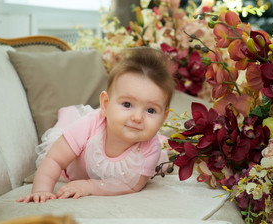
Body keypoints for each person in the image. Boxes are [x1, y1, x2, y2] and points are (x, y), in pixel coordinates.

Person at [16, 47, 175, 203]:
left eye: (151, 110)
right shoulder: (89, 126)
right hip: (76, 162)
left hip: (144, 157)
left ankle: (170, 146)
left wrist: (90, 186)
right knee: (62, 143)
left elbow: (131, 185)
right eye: (127, 104)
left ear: (163, 118)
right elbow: (54, 160)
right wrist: (41, 190)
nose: (138, 117)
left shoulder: (151, 147)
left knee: (163, 160)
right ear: (105, 105)